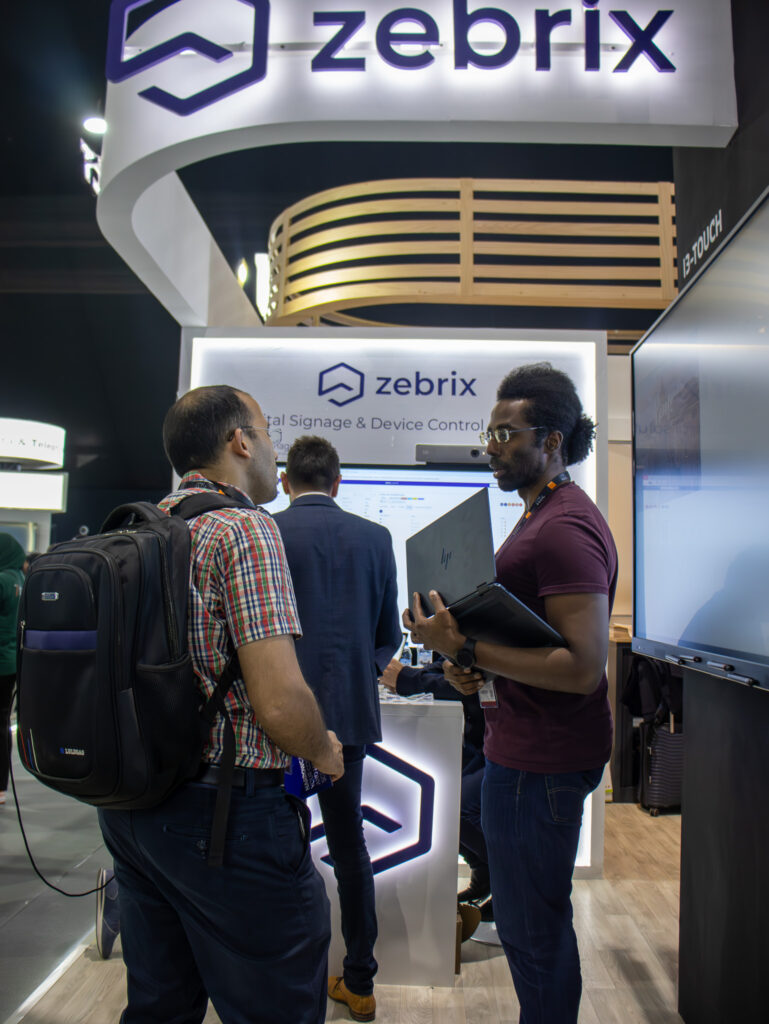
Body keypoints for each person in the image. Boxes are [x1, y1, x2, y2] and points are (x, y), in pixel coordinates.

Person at [97, 386, 344, 1024]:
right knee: (276, 1002)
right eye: (267, 432)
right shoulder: (244, 529)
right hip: (225, 814)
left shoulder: (136, 529)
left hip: (132, 806)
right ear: (240, 441)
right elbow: (280, 702)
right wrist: (324, 751)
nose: (273, 449)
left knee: (160, 1004)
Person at [404, 362, 617, 1024]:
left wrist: (464, 649)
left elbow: (582, 667)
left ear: (550, 441)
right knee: (529, 924)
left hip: (540, 760)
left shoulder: (563, 528)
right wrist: (470, 667)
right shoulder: (539, 516)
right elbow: (531, 641)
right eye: (488, 434)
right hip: (521, 749)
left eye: (504, 434)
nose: (491, 448)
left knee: (532, 932)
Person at [272, 436, 400, 1023]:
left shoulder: (267, 532)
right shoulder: (375, 538)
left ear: (285, 482)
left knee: (279, 849)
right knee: (350, 849)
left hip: (278, 722)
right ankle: (361, 981)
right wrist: (355, 672)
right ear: (338, 481)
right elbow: (386, 637)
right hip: (348, 721)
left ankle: (286, 980)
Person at [379, 657, 491, 913]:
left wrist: (408, 678)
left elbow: (472, 683)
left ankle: (511, 881)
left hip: (508, 743)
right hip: (483, 740)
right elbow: (449, 663)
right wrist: (410, 675)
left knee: (455, 809)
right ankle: (485, 873)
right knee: (440, 805)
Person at [0, 533, 26, 806]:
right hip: (11, 662)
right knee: (3, 724)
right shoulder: (20, 578)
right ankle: (0, 786)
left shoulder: (2, 581)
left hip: (1, 660)